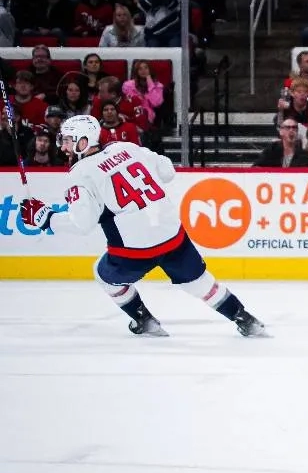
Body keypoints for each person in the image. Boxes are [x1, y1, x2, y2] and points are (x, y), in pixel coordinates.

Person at [18, 115, 266, 338]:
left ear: (83, 141)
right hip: (172, 235)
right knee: (199, 283)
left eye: (68, 141)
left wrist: (46, 218)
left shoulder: (80, 173)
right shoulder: (126, 147)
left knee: (103, 275)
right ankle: (245, 319)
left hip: (133, 249)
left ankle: (144, 320)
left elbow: (83, 223)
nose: (63, 147)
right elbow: (167, 171)